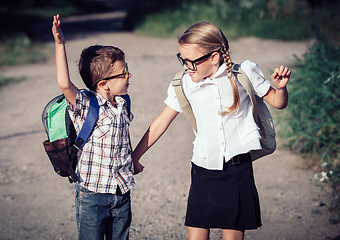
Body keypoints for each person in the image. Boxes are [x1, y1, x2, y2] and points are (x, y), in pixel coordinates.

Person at [132, 21, 291, 240]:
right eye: (183, 60)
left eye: (192, 62)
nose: (187, 67)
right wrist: (135, 156)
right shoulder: (184, 84)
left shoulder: (244, 73)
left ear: (214, 57)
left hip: (238, 168)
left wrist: (281, 88)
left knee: (232, 235)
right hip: (203, 168)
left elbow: (277, 102)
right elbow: (160, 123)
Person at [52, 14, 134, 240]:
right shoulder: (86, 105)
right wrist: (60, 44)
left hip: (121, 192)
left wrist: (132, 161)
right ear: (104, 84)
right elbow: (64, 83)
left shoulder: (123, 102)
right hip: (92, 194)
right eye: (124, 73)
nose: (129, 76)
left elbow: (123, 140)